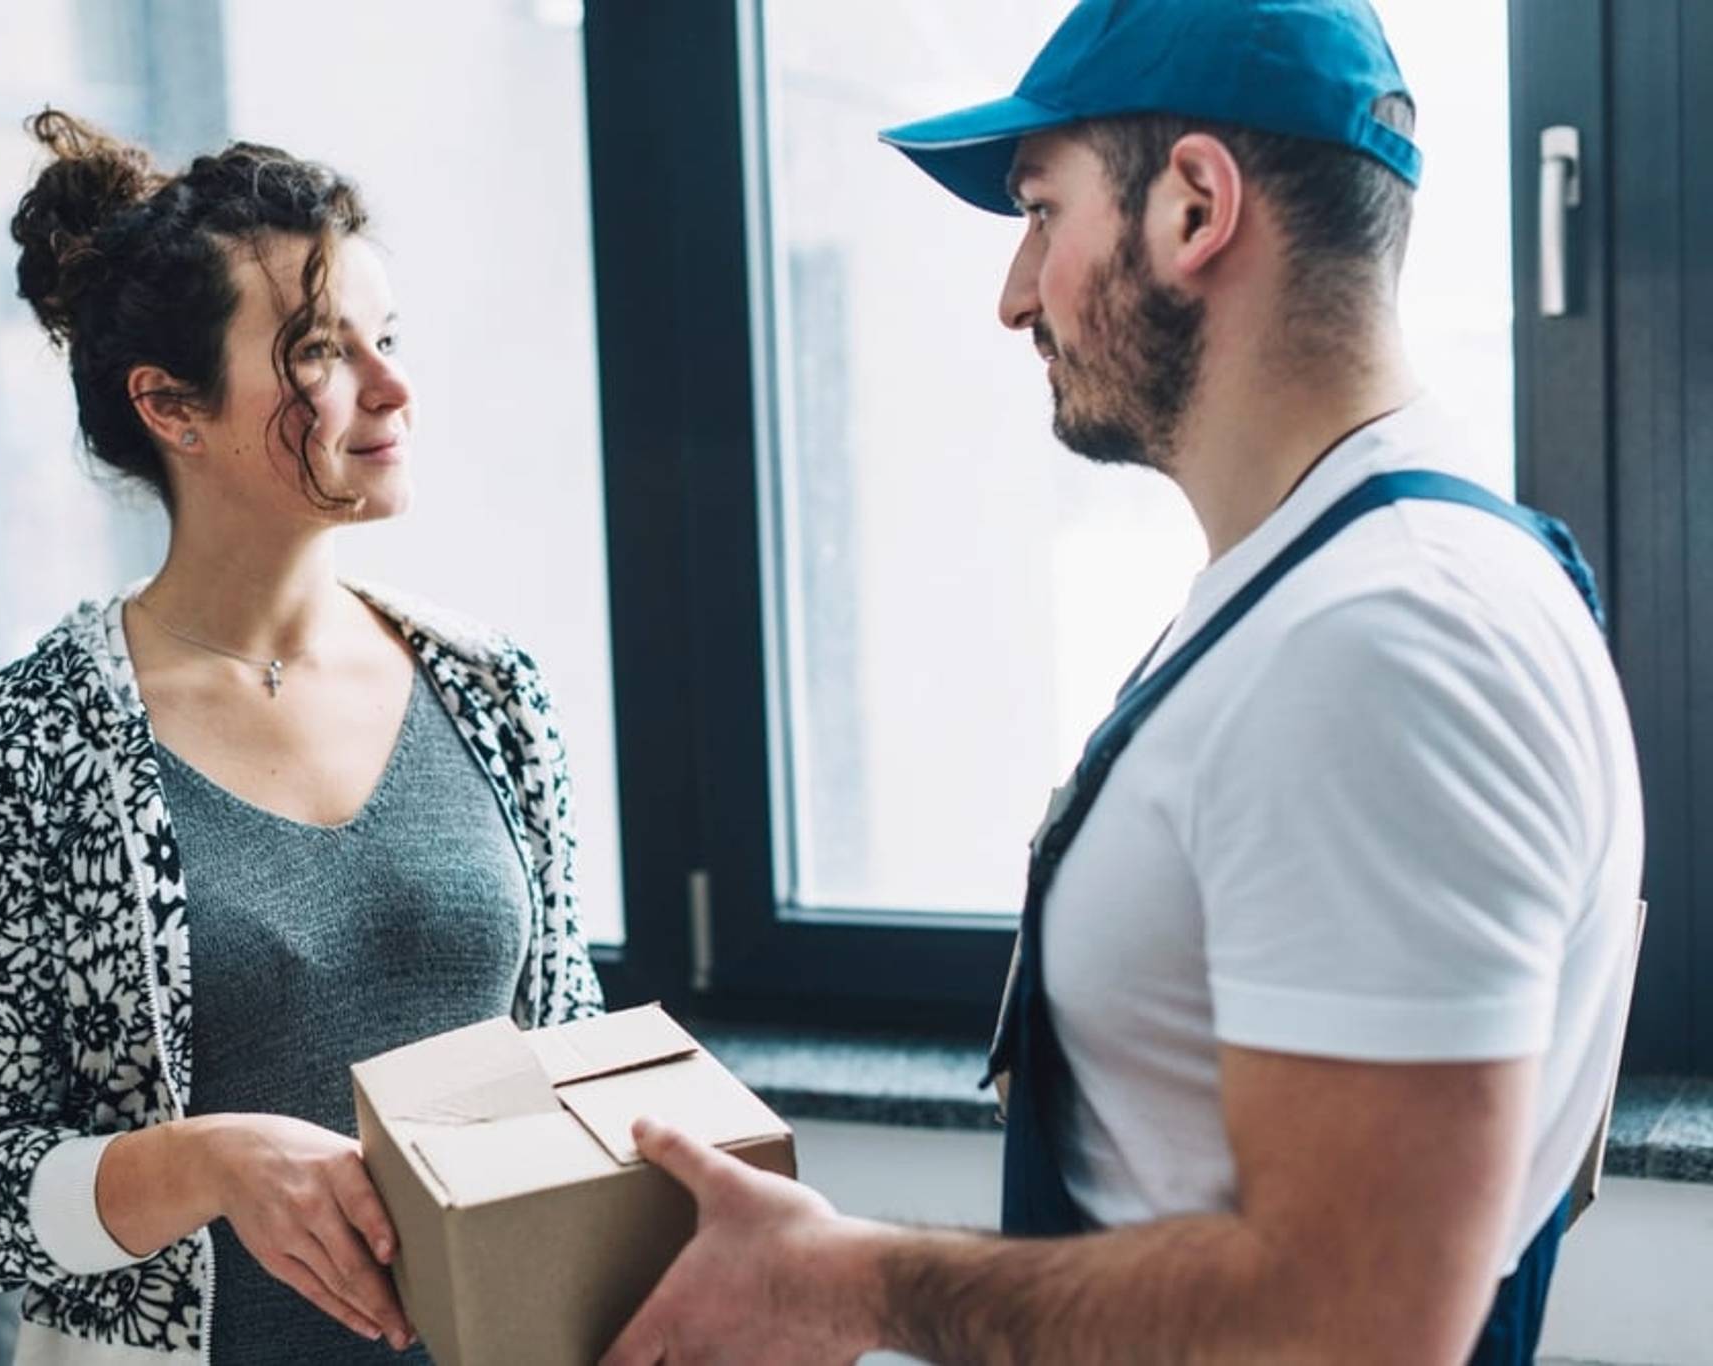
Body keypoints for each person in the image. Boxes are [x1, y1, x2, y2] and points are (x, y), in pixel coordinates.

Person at [602, 2, 1643, 1362]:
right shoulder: (1332, 586)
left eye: (1042, 210)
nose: (1015, 291)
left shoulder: (1389, 638)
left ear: (1194, 206)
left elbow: (1356, 1323)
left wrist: (848, 1281)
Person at [0, 111, 604, 1365]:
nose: (391, 388)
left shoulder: (492, 691)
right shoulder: (13, 752)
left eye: (386, 339)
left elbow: (567, 1055)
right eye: (323, 353)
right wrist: (209, 1158)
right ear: (170, 406)